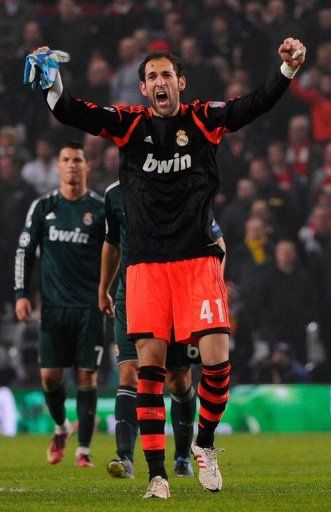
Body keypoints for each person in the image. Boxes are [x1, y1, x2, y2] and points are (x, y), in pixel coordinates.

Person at [30, 37, 306, 498]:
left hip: (197, 259)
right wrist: (51, 84)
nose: (160, 82)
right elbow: (73, 112)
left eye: (167, 75)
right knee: (150, 371)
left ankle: (204, 445)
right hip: (146, 267)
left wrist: (287, 70)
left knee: (217, 362)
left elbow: (252, 106)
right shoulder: (129, 125)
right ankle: (157, 475)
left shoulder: (203, 118)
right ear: (143, 87)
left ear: (181, 82)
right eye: (152, 76)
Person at [98, 180, 226, 479]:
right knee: (130, 372)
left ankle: (183, 455)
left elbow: (215, 237)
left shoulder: (180, 184)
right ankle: (126, 458)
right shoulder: (115, 194)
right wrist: (104, 287)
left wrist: (210, 285)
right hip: (133, 294)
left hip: (177, 294)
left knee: (178, 381)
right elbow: (112, 242)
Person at [14, 141, 105, 468]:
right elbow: (24, 251)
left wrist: (109, 291)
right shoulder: (43, 207)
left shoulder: (99, 209)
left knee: (87, 378)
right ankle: (62, 427)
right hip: (53, 308)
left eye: (77, 160)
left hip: (89, 308)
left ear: (86, 165)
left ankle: (83, 450)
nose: (71, 165)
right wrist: (21, 293)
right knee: (50, 378)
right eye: (65, 159)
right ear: (58, 166)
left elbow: (114, 255)